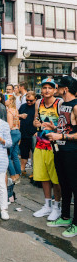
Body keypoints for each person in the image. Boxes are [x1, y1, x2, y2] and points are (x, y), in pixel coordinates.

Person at [45, 76, 77, 238]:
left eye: (58, 87)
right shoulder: (63, 104)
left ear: (66, 89)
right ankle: (65, 217)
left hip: (73, 152)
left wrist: (61, 137)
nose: (55, 89)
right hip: (60, 151)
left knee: (74, 187)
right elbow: (66, 126)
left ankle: (76, 224)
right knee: (64, 185)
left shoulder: (76, 106)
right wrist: (54, 128)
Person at [32, 78, 62, 221]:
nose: (47, 90)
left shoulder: (60, 103)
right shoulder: (39, 102)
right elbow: (34, 121)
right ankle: (47, 205)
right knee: (43, 176)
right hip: (40, 143)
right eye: (44, 87)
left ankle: (57, 206)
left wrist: (54, 128)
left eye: (50, 87)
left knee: (55, 178)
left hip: (54, 146)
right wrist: (36, 123)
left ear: (55, 90)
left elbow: (66, 127)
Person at [18, 91, 37, 177]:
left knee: (35, 153)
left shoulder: (37, 107)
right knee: (23, 152)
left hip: (34, 133)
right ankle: (22, 169)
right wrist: (20, 116)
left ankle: (35, 171)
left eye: (31, 100)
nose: (29, 102)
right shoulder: (23, 106)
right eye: (27, 100)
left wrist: (37, 131)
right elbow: (17, 116)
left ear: (35, 99)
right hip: (24, 132)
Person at [5, 94, 21, 183]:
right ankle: (18, 175)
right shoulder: (15, 110)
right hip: (17, 132)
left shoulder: (9, 111)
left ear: (10, 101)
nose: (5, 101)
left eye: (6, 99)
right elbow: (19, 123)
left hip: (12, 133)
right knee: (15, 155)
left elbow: (10, 126)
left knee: (8, 156)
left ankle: (13, 176)